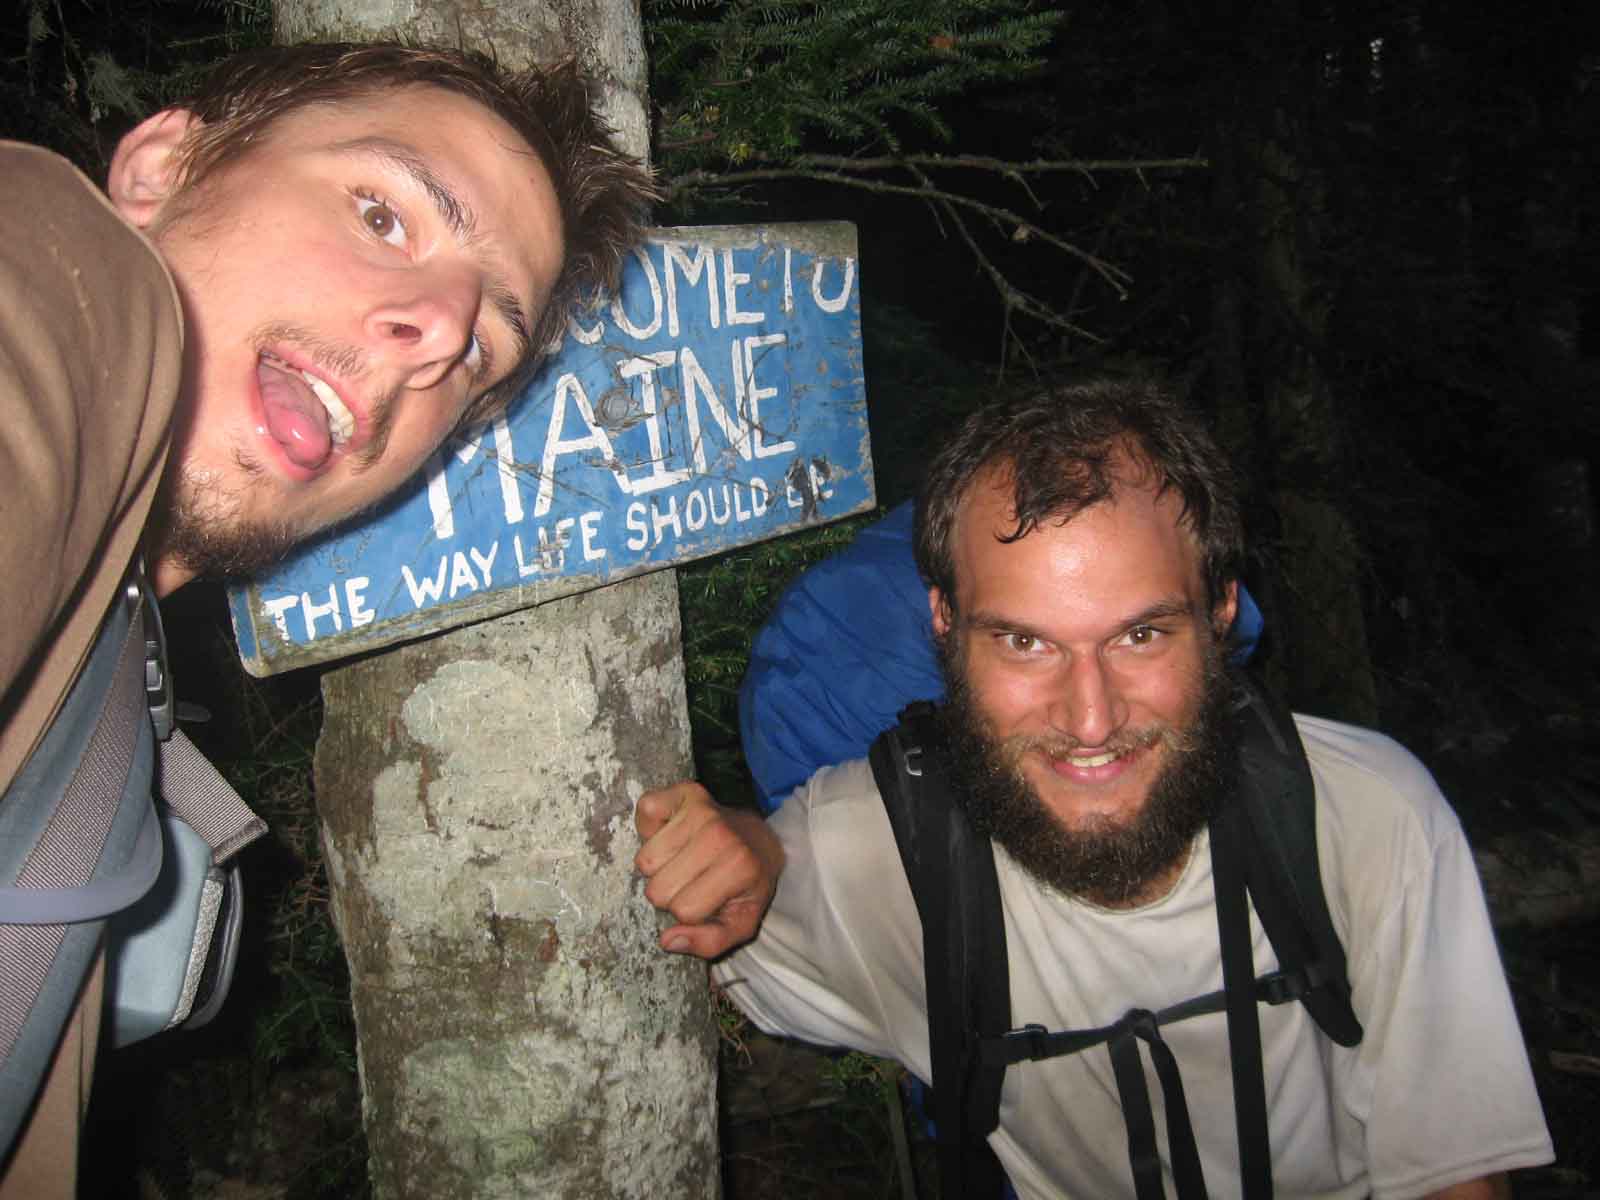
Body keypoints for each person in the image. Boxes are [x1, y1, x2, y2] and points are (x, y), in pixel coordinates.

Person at [636, 376, 1554, 1198]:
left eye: (1140, 636)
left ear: (1221, 611)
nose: (1089, 720)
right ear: (943, 627)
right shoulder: (873, 852)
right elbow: (672, 950)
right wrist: (753, 853)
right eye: (1024, 641)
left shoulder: (1364, 815)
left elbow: (1451, 1177)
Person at [1, 41, 654, 1196]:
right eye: (384, 214)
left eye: (486, 348)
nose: (441, 331)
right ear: (163, 166)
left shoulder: (112, 647)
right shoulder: (52, 275)